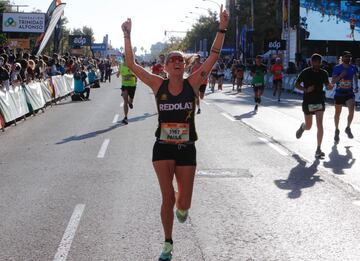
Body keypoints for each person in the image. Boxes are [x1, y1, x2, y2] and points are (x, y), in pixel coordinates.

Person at [121, 5, 229, 261]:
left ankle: (182, 208)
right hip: (162, 147)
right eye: (173, 59)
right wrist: (127, 35)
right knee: (167, 197)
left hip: (186, 148)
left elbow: (213, 56)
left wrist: (222, 27)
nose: (179, 62)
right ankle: (168, 243)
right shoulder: (158, 84)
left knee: (184, 204)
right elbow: (130, 64)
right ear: (166, 66)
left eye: (181, 59)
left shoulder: (193, 83)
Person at [295, 53, 332, 158]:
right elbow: (296, 84)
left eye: (318, 62)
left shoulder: (323, 73)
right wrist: (306, 89)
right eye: (314, 62)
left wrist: (330, 86)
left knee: (320, 125)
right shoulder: (305, 72)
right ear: (311, 62)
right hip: (308, 102)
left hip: (319, 101)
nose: (316, 64)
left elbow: (327, 86)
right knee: (309, 126)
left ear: (320, 63)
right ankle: (303, 127)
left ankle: (318, 149)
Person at [331, 51, 359, 143]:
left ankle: (348, 127)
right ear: (342, 58)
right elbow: (333, 82)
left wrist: (356, 86)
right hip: (339, 93)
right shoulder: (337, 68)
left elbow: (355, 76)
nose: (347, 58)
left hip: (349, 93)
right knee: (337, 113)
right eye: (346, 57)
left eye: (349, 57)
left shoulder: (353, 67)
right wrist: (341, 76)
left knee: (352, 111)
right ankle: (336, 130)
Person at [117, 55, 137, 125]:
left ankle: (130, 103)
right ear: (123, 58)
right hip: (124, 85)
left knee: (130, 101)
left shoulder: (133, 66)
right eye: (125, 58)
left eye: (127, 58)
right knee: (125, 100)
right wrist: (118, 74)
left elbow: (136, 74)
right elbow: (118, 73)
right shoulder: (121, 65)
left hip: (132, 85)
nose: (126, 59)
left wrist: (131, 75)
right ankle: (125, 117)